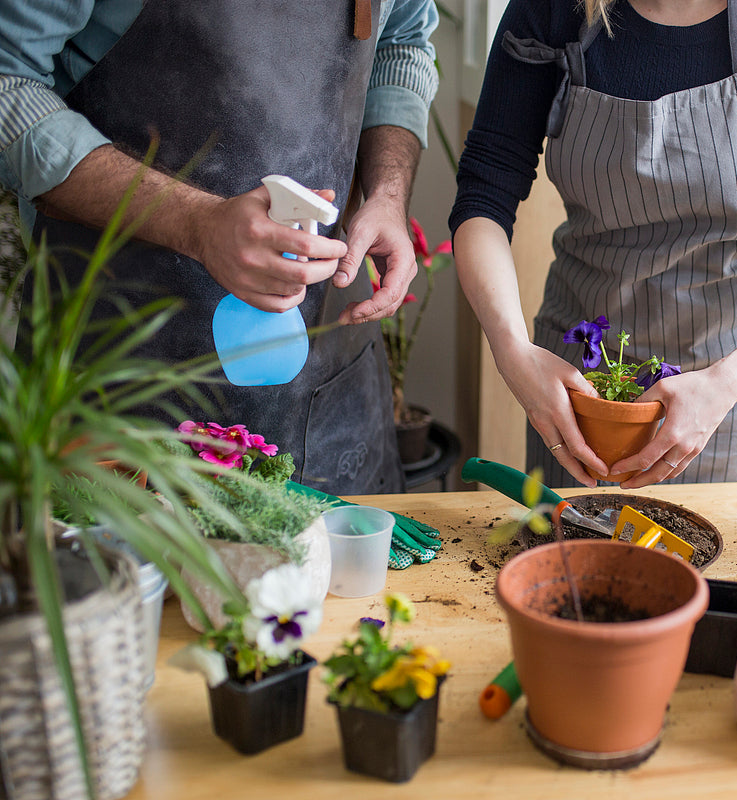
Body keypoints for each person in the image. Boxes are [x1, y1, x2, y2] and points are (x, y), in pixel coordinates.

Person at [0, 0, 440, 495]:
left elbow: (401, 43)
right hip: (120, 376)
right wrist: (197, 224)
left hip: (330, 386)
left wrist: (387, 196)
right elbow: (7, 81)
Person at [451, 0, 737, 489]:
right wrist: (511, 350)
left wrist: (725, 384)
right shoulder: (554, 9)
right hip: (583, 392)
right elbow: (484, 194)